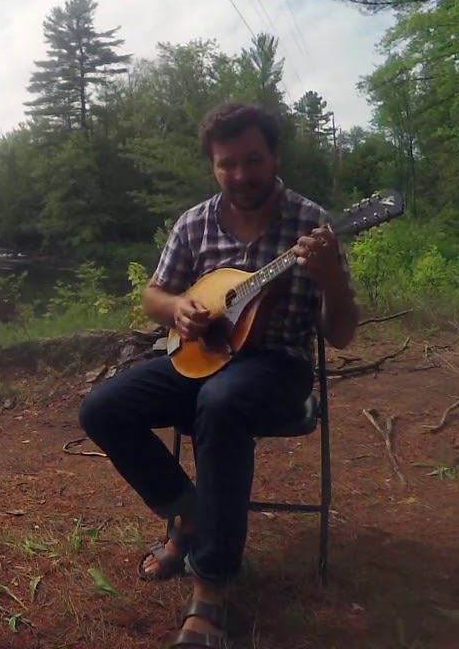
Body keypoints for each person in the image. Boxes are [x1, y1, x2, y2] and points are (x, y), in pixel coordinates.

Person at [78, 102, 359, 648]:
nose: (240, 176)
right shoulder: (195, 222)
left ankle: (211, 586)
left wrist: (332, 279)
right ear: (212, 165)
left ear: (274, 157)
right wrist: (178, 308)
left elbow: (342, 333)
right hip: (201, 358)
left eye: (252, 161)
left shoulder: (313, 224)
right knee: (102, 408)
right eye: (226, 164)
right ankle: (190, 517)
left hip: (277, 368)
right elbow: (154, 294)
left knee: (223, 404)